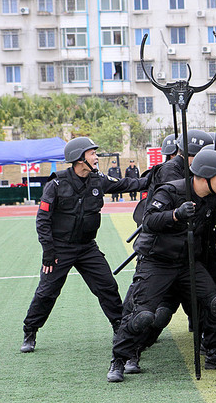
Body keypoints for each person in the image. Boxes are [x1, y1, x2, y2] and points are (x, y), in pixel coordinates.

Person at [108, 149, 216, 382]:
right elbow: (148, 221)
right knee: (144, 315)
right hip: (157, 262)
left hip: (188, 263)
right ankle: (119, 358)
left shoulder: (214, 195)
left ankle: (213, 351)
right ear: (205, 177)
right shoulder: (171, 191)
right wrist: (175, 214)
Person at [20, 137, 149, 353]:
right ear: (80, 159)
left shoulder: (98, 180)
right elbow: (42, 221)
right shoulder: (56, 185)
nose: (96, 157)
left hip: (87, 247)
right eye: (92, 153)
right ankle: (30, 330)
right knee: (47, 293)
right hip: (60, 249)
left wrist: (154, 176)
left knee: (107, 286)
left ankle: (119, 328)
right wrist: (48, 252)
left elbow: (127, 184)